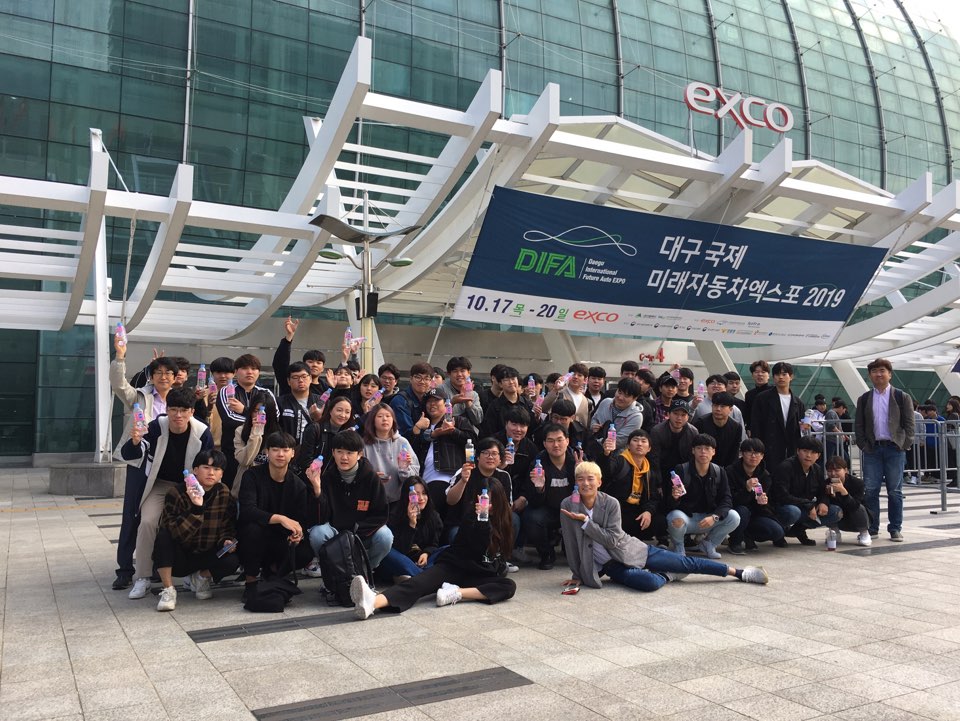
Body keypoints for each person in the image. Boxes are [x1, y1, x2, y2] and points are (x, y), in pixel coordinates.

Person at [559, 461, 768, 592]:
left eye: (590, 479)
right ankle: (669, 574)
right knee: (648, 583)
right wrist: (578, 574)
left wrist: (586, 523)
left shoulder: (610, 503)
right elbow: (570, 542)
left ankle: (739, 572)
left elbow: (612, 540)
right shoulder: (568, 505)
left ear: (599, 482)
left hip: (633, 550)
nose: (585, 483)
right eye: (580, 479)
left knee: (685, 563)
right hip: (609, 564)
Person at [351, 481, 517, 619]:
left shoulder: (504, 523)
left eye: (489, 501)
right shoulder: (471, 518)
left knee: (508, 586)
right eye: (482, 500)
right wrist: (482, 520)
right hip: (455, 566)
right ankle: (372, 602)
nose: (485, 505)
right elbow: (474, 547)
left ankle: (457, 593)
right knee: (418, 583)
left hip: (478, 573)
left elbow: (499, 557)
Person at [120, 387, 214, 600]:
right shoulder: (155, 427)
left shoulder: (202, 432)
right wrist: (135, 441)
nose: (178, 415)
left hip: (189, 486)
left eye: (183, 410)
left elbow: (207, 464)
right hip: (159, 484)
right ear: (167, 410)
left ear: (191, 411)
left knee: (194, 523)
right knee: (148, 522)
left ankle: (192, 573)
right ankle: (143, 577)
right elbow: (131, 454)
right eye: (173, 409)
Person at [109, 336, 178, 591]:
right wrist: (120, 356)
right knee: (132, 515)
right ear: (151, 376)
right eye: (158, 373)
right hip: (141, 462)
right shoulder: (140, 397)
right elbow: (118, 384)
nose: (163, 377)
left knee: (161, 517)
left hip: (169, 465)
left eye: (168, 373)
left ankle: (158, 566)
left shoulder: (180, 400)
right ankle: (125, 570)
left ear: (175, 377)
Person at [153, 449, 240, 611]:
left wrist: (226, 540)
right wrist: (197, 509)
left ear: (221, 474)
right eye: (206, 467)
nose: (211, 473)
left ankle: (201, 577)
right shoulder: (177, 493)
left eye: (216, 469)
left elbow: (227, 525)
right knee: (163, 537)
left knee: (233, 558)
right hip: (181, 554)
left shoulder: (223, 492)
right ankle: (168, 590)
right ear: (195, 470)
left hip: (207, 552)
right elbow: (173, 531)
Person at [237, 432, 318, 598]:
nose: (280, 454)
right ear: (267, 452)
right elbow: (247, 511)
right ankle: (251, 580)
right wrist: (280, 518)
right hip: (254, 536)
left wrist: (297, 534)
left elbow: (301, 521)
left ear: (293, 453)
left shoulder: (298, 485)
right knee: (252, 530)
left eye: (285, 450)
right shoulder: (252, 475)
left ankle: (273, 573)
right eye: (275, 449)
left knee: (305, 551)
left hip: (280, 538)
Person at [305, 429, 393, 571]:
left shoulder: (371, 478)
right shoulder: (327, 477)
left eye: (350, 453)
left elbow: (381, 515)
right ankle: (331, 570)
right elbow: (319, 518)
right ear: (333, 453)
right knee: (317, 533)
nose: (344, 457)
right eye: (339, 452)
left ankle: (365, 570)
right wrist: (317, 489)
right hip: (335, 533)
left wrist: (355, 531)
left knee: (385, 536)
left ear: (359, 454)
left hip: (362, 533)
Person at [854, 358, 914, 541]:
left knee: (894, 491)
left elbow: (910, 425)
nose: (878, 374)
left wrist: (904, 444)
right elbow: (859, 425)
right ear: (869, 375)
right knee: (871, 490)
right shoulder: (864, 399)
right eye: (874, 371)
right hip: (872, 449)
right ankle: (872, 527)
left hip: (894, 449)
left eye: (882, 371)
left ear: (890, 374)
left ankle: (895, 528)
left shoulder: (902, 397)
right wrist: (863, 445)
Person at [663, 434, 740, 559]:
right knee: (674, 517)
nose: (703, 452)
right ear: (693, 450)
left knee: (734, 517)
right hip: (687, 518)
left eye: (707, 448)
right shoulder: (681, 469)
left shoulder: (719, 471)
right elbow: (668, 504)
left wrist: (715, 516)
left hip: (708, 518)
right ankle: (679, 546)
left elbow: (726, 499)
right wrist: (674, 497)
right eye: (699, 448)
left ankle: (709, 544)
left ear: (713, 452)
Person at [519, 423, 580, 569]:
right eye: (551, 441)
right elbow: (533, 502)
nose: (556, 445)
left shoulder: (577, 460)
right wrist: (539, 488)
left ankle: (571, 548)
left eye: (559, 440)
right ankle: (546, 554)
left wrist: (581, 476)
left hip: (573, 508)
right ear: (545, 444)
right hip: (548, 509)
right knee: (531, 517)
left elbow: (592, 493)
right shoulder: (538, 464)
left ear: (567, 441)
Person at [408, 389, 476, 508]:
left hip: (449, 477)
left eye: (436, 400)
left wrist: (453, 431)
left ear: (446, 404)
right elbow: (411, 448)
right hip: (423, 479)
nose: (432, 404)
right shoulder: (423, 424)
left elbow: (472, 441)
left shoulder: (458, 420)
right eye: (429, 401)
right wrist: (418, 428)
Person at [217, 354, 277, 488]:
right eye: (244, 368)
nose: (250, 372)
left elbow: (274, 418)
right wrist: (257, 420)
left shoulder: (266, 393)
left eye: (254, 368)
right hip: (233, 451)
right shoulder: (227, 391)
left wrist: (244, 410)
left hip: (262, 452)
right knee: (232, 490)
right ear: (235, 372)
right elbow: (229, 419)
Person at [596, 429, 666, 543]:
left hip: (637, 509)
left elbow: (653, 498)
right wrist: (606, 454)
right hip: (617, 510)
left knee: (660, 521)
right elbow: (606, 471)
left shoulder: (649, 470)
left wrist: (648, 512)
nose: (639, 444)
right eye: (635, 440)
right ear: (628, 445)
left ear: (649, 448)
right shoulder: (620, 461)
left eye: (643, 441)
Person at [445, 437, 515, 543]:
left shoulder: (504, 476)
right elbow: (450, 501)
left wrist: (493, 509)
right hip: (462, 523)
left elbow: (507, 507)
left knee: (514, 520)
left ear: (500, 459)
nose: (490, 457)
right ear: (477, 456)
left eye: (494, 453)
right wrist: (463, 481)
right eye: (485, 453)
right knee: (456, 535)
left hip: (492, 521)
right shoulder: (465, 472)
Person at [725, 438, 786, 554]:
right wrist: (747, 489)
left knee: (777, 531)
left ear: (762, 456)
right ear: (742, 454)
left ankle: (748, 535)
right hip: (735, 512)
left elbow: (767, 503)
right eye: (749, 452)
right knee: (742, 511)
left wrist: (763, 502)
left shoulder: (765, 475)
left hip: (755, 514)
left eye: (757, 453)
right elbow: (730, 500)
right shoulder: (730, 471)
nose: (753, 456)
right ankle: (735, 542)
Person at [377, 478, 445, 581]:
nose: (421, 498)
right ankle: (423, 578)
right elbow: (400, 550)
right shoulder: (394, 515)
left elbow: (433, 544)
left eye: (424, 493)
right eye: (416, 494)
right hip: (402, 560)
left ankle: (412, 578)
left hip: (422, 561)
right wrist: (411, 524)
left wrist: (426, 553)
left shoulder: (433, 516)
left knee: (448, 549)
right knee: (388, 552)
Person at [770, 435, 832, 546]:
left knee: (835, 511)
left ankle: (798, 530)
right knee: (793, 512)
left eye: (813, 452)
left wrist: (823, 502)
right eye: (805, 451)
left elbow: (822, 491)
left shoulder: (817, 469)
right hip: (783, 507)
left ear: (818, 456)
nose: (808, 455)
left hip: (805, 507)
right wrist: (808, 504)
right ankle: (778, 533)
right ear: (798, 451)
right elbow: (781, 496)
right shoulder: (786, 467)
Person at [362, 403, 420, 505]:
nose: (385, 419)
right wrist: (372, 477)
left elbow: (414, 478)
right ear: (372, 421)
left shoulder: (402, 443)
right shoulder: (365, 445)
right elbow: (358, 475)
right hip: (372, 499)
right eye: (380, 416)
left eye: (388, 416)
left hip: (398, 500)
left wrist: (404, 469)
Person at [749, 361, 805, 467]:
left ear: (791, 377)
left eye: (784, 374)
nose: (781, 377)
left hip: (790, 449)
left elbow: (802, 428)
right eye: (777, 374)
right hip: (768, 447)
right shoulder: (762, 398)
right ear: (773, 377)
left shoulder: (798, 403)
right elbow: (756, 425)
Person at [232, 390, 282, 494]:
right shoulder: (240, 431)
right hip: (245, 487)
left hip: (269, 489)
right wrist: (255, 433)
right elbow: (244, 461)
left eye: (263, 412)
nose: (259, 415)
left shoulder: (278, 434)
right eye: (255, 411)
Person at [271, 316, 329, 397]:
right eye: (310, 362)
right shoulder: (292, 382)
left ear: (323, 368)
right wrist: (289, 337)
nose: (314, 365)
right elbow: (279, 364)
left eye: (318, 363)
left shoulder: (327, 388)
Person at [823, 456, 872, 546]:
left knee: (858, 507)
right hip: (840, 517)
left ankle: (864, 533)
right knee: (826, 506)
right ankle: (835, 532)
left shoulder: (857, 483)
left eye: (837, 470)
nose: (833, 474)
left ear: (846, 470)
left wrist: (844, 492)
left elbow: (855, 505)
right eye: (829, 471)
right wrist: (830, 496)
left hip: (859, 517)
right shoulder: (826, 483)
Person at [648, 398, 698, 486]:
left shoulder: (693, 432)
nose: (679, 418)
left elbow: (693, 458)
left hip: (684, 471)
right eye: (675, 414)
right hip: (663, 470)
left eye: (683, 415)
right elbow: (654, 459)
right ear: (668, 414)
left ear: (688, 417)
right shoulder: (657, 431)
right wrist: (658, 484)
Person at [589, 377, 644, 452]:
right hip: (594, 449)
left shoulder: (636, 416)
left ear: (635, 398)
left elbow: (621, 440)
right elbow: (595, 418)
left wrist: (600, 441)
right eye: (619, 392)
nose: (620, 397)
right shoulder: (605, 402)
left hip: (618, 454)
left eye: (626, 396)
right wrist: (593, 426)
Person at [277, 361, 323, 445]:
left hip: (314, 449)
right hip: (287, 448)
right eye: (295, 377)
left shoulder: (321, 401)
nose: (300, 380)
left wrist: (318, 419)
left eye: (304, 376)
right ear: (288, 381)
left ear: (310, 378)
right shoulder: (279, 403)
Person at [693, 391, 744, 467]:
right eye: (715, 405)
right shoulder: (700, 423)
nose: (718, 409)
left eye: (722, 406)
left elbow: (734, 453)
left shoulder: (736, 427)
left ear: (730, 409)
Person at [440, 356, 484, 433]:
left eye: (462, 371)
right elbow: (437, 417)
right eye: (455, 371)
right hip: (447, 433)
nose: (459, 374)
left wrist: (468, 401)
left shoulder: (474, 394)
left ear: (469, 373)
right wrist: (452, 403)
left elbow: (478, 420)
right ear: (449, 374)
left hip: (469, 435)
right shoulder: (441, 390)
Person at [743, 359, 771, 430]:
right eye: (756, 372)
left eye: (763, 372)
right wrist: (748, 428)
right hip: (755, 430)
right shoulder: (749, 394)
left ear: (768, 375)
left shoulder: (774, 391)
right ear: (752, 375)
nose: (760, 374)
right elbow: (748, 414)